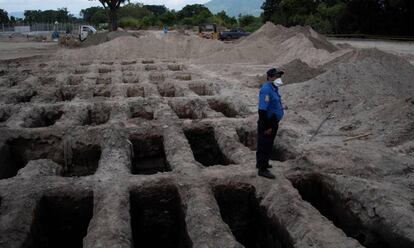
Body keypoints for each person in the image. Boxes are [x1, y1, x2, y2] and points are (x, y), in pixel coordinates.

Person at [256, 68, 285, 179]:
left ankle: (263, 163)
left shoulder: (274, 88)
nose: (278, 78)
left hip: (273, 121)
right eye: (276, 76)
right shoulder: (266, 89)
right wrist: (268, 126)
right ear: (270, 77)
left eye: (279, 76)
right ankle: (262, 169)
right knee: (264, 144)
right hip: (267, 122)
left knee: (269, 144)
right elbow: (262, 111)